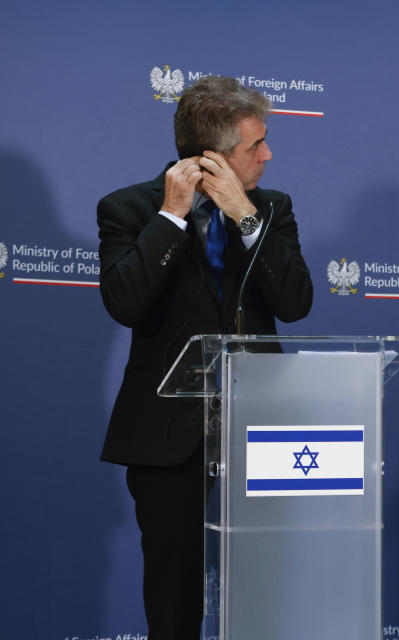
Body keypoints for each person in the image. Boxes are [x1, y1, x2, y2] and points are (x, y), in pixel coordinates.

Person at [97, 75, 313, 639]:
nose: (268, 154)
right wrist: (170, 218)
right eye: (255, 146)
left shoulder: (271, 208)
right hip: (169, 433)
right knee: (173, 593)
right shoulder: (128, 209)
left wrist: (244, 215)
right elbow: (124, 303)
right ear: (212, 156)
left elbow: (296, 303)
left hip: (260, 427)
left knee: (270, 581)